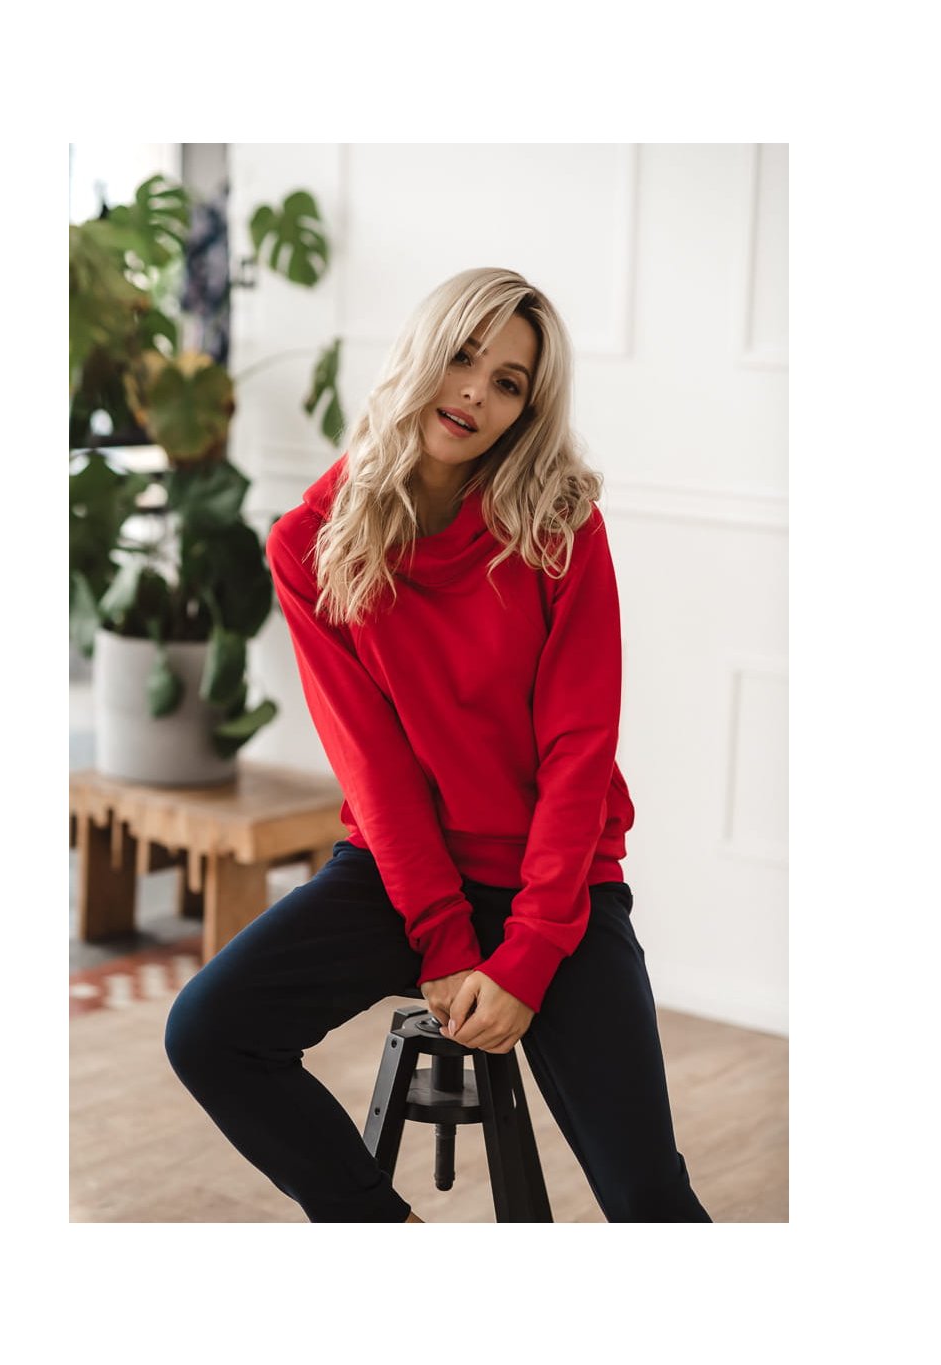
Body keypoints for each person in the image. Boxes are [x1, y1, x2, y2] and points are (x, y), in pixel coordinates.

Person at [164, 266, 712, 1223]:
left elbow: (579, 747)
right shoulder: (312, 543)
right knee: (209, 1030)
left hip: (557, 880)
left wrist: (530, 952)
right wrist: (447, 942)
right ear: (422, 351)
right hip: (404, 874)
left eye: (508, 382)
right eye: (463, 357)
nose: (474, 393)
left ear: (526, 409)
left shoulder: (557, 524)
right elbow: (375, 772)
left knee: (650, 1198)